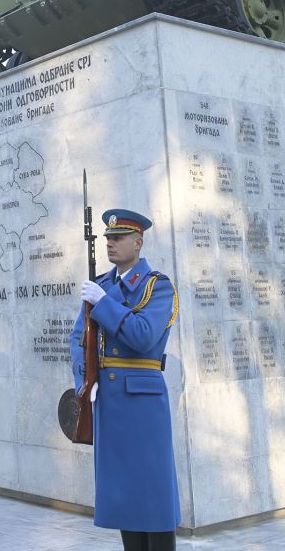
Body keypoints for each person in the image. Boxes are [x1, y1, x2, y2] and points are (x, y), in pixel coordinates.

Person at [67, 209, 180, 551]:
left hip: (142, 400)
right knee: (125, 498)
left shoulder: (156, 286)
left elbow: (144, 336)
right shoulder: (101, 284)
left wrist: (104, 304)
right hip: (109, 401)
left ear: (138, 242)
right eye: (108, 239)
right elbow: (77, 339)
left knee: (153, 493)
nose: (111, 244)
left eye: (118, 239)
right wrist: (87, 381)